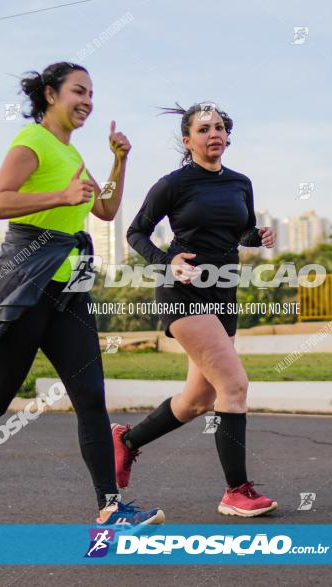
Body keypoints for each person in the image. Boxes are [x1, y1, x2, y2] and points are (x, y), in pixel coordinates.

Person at [0, 61, 164, 528]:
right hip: (25, 288)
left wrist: (119, 162)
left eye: (91, 94)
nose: (87, 100)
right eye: (78, 91)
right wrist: (59, 197)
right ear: (50, 94)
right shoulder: (32, 143)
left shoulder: (74, 155)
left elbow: (104, 210)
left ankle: (110, 507)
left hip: (70, 292)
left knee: (91, 399)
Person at [115, 102, 278, 517]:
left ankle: (126, 442)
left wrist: (257, 236)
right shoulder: (173, 184)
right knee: (235, 386)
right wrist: (165, 262)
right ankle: (236, 492)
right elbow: (137, 232)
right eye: (204, 129)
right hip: (183, 293)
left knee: (197, 399)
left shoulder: (241, 183)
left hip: (225, 294)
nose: (214, 134)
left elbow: (239, 231)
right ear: (188, 141)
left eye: (220, 127)